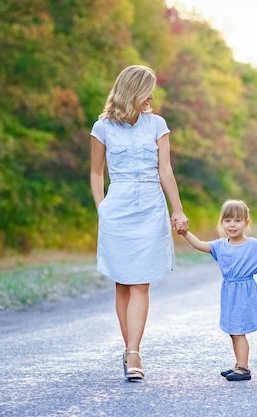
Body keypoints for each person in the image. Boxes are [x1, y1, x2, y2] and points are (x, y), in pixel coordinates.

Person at [90, 65, 189, 382]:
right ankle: (129, 349)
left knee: (140, 281)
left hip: (149, 208)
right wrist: (101, 209)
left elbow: (165, 170)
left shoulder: (157, 125)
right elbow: (95, 174)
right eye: (148, 89)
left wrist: (178, 209)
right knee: (122, 281)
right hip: (116, 208)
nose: (152, 96)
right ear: (133, 91)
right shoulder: (102, 127)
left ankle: (133, 352)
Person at [177, 199, 257, 381]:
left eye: (237, 220)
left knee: (238, 331)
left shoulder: (253, 245)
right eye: (228, 220)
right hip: (229, 291)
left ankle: (244, 368)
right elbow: (199, 244)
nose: (232, 225)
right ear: (222, 223)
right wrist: (185, 234)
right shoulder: (220, 245)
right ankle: (238, 364)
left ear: (246, 222)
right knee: (233, 331)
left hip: (244, 293)